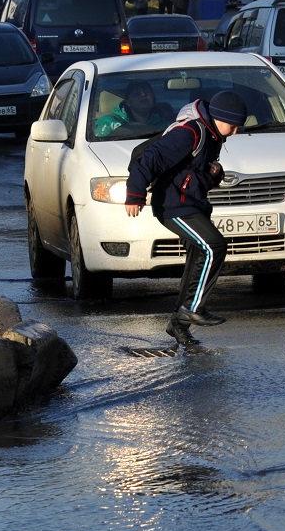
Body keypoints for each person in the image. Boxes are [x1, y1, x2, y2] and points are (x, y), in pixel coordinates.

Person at [125, 91, 247, 346]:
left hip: (191, 204)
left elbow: (192, 173)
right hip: (173, 206)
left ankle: (179, 324)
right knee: (214, 246)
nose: (235, 133)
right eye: (234, 126)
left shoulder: (213, 136)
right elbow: (151, 159)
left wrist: (215, 174)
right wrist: (135, 194)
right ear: (220, 118)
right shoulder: (191, 132)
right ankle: (194, 308)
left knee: (199, 257)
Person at [95, 80, 170, 137]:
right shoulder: (108, 123)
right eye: (137, 94)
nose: (143, 95)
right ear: (128, 102)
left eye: (147, 92)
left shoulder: (164, 125)